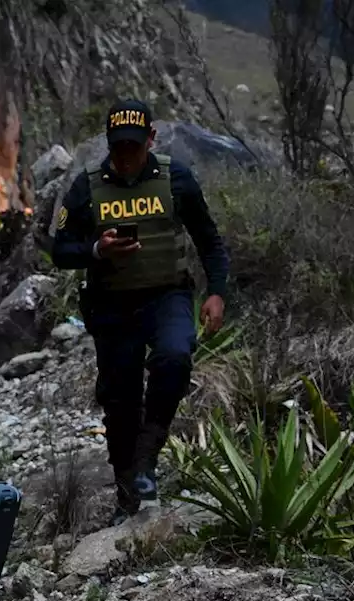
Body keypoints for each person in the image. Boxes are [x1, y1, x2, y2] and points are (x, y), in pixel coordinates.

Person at [52, 99, 230, 525]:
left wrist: (216, 293)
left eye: (134, 146)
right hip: (111, 304)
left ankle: (147, 458)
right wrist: (97, 250)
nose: (126, 156)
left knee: (174, 357)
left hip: (166, 296)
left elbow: (209, 240)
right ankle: (128, 490)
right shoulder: (86, 186)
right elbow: (59, 249)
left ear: (151, 140)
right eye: (119, 147)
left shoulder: (177, 179)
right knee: (120, 401)